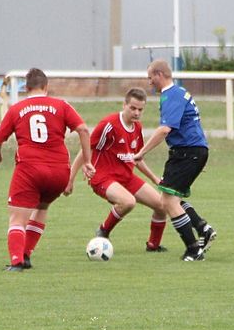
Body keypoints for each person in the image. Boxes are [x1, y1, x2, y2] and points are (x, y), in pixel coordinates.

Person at [0, 67, 94, 271]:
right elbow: (83, 129)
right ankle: (26, 254)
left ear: (26, 88)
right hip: (59, 173)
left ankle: (16, 261)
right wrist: (88, 161)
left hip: (30, 170)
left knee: (17, 219)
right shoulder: (62, 105)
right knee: (42, 207)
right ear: (46, 86)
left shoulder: (16, 109)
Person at [65, 87, 168, 252]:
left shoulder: (137, 128)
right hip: (103, 177)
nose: (136, 113)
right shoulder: (109, 124)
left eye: (140, 109)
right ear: (124, 105)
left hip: (126, 178)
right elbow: (87, 148)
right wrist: (70, 179)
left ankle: (153, 246)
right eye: (132, 108)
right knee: (128, 202)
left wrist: (154, 178)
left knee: (162, 205)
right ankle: (103, 231)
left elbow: (137, 158)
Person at [132, 59, 216, 262]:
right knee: (170, 199)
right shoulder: (180, 92)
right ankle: (202, 229)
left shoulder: (171, 95)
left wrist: (142, 152)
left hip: (186, 152)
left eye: (150, 77)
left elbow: (164, 130)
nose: (149, 82)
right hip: (191, 152)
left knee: (168, 201)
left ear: (159, 74)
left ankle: (193, 249)